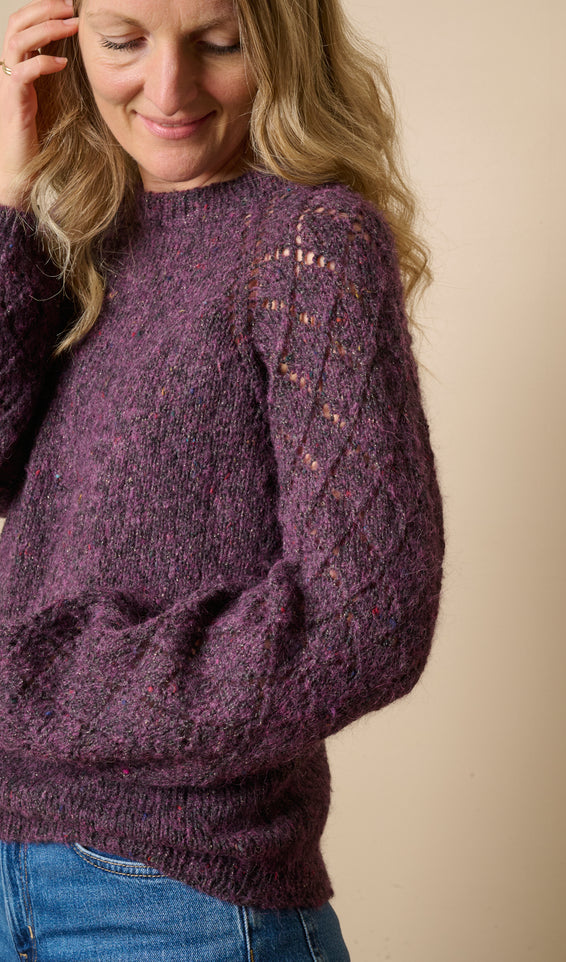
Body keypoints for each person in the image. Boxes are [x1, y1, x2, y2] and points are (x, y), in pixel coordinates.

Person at [0, 0, 445, 958]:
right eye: (124, 41)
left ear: (282, 42)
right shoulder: (84, 231)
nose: (168, 90)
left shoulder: (310, 241)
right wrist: (12, 203)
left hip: (177, 898)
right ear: (68, 42)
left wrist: (33, 689)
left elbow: (366, 622)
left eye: (220, 43)